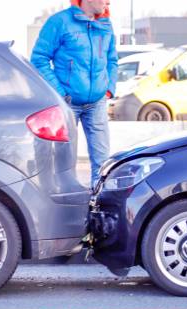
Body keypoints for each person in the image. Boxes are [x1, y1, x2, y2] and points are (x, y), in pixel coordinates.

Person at [31, 0, 118, 186]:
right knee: (64, 164)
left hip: (97, 103)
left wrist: (108, 89)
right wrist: (60, 94)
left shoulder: (105, 24)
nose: (109, 2)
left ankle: (98, 200)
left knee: (103, 162)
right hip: (68, 104)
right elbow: (39, 59)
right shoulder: (59, 22)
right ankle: (66, 200)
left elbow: (112, 60)